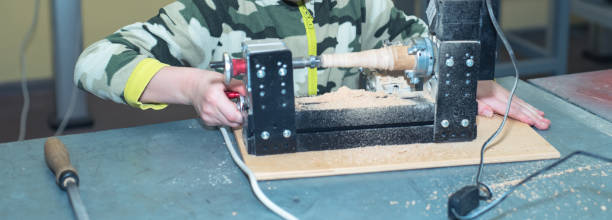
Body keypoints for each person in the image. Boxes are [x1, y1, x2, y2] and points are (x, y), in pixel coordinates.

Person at [74, 0, 550, 130]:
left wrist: (471, 83)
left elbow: (431, 47)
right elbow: (95, 61)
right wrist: (194, 85)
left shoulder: (362, 8)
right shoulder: (210, 12)